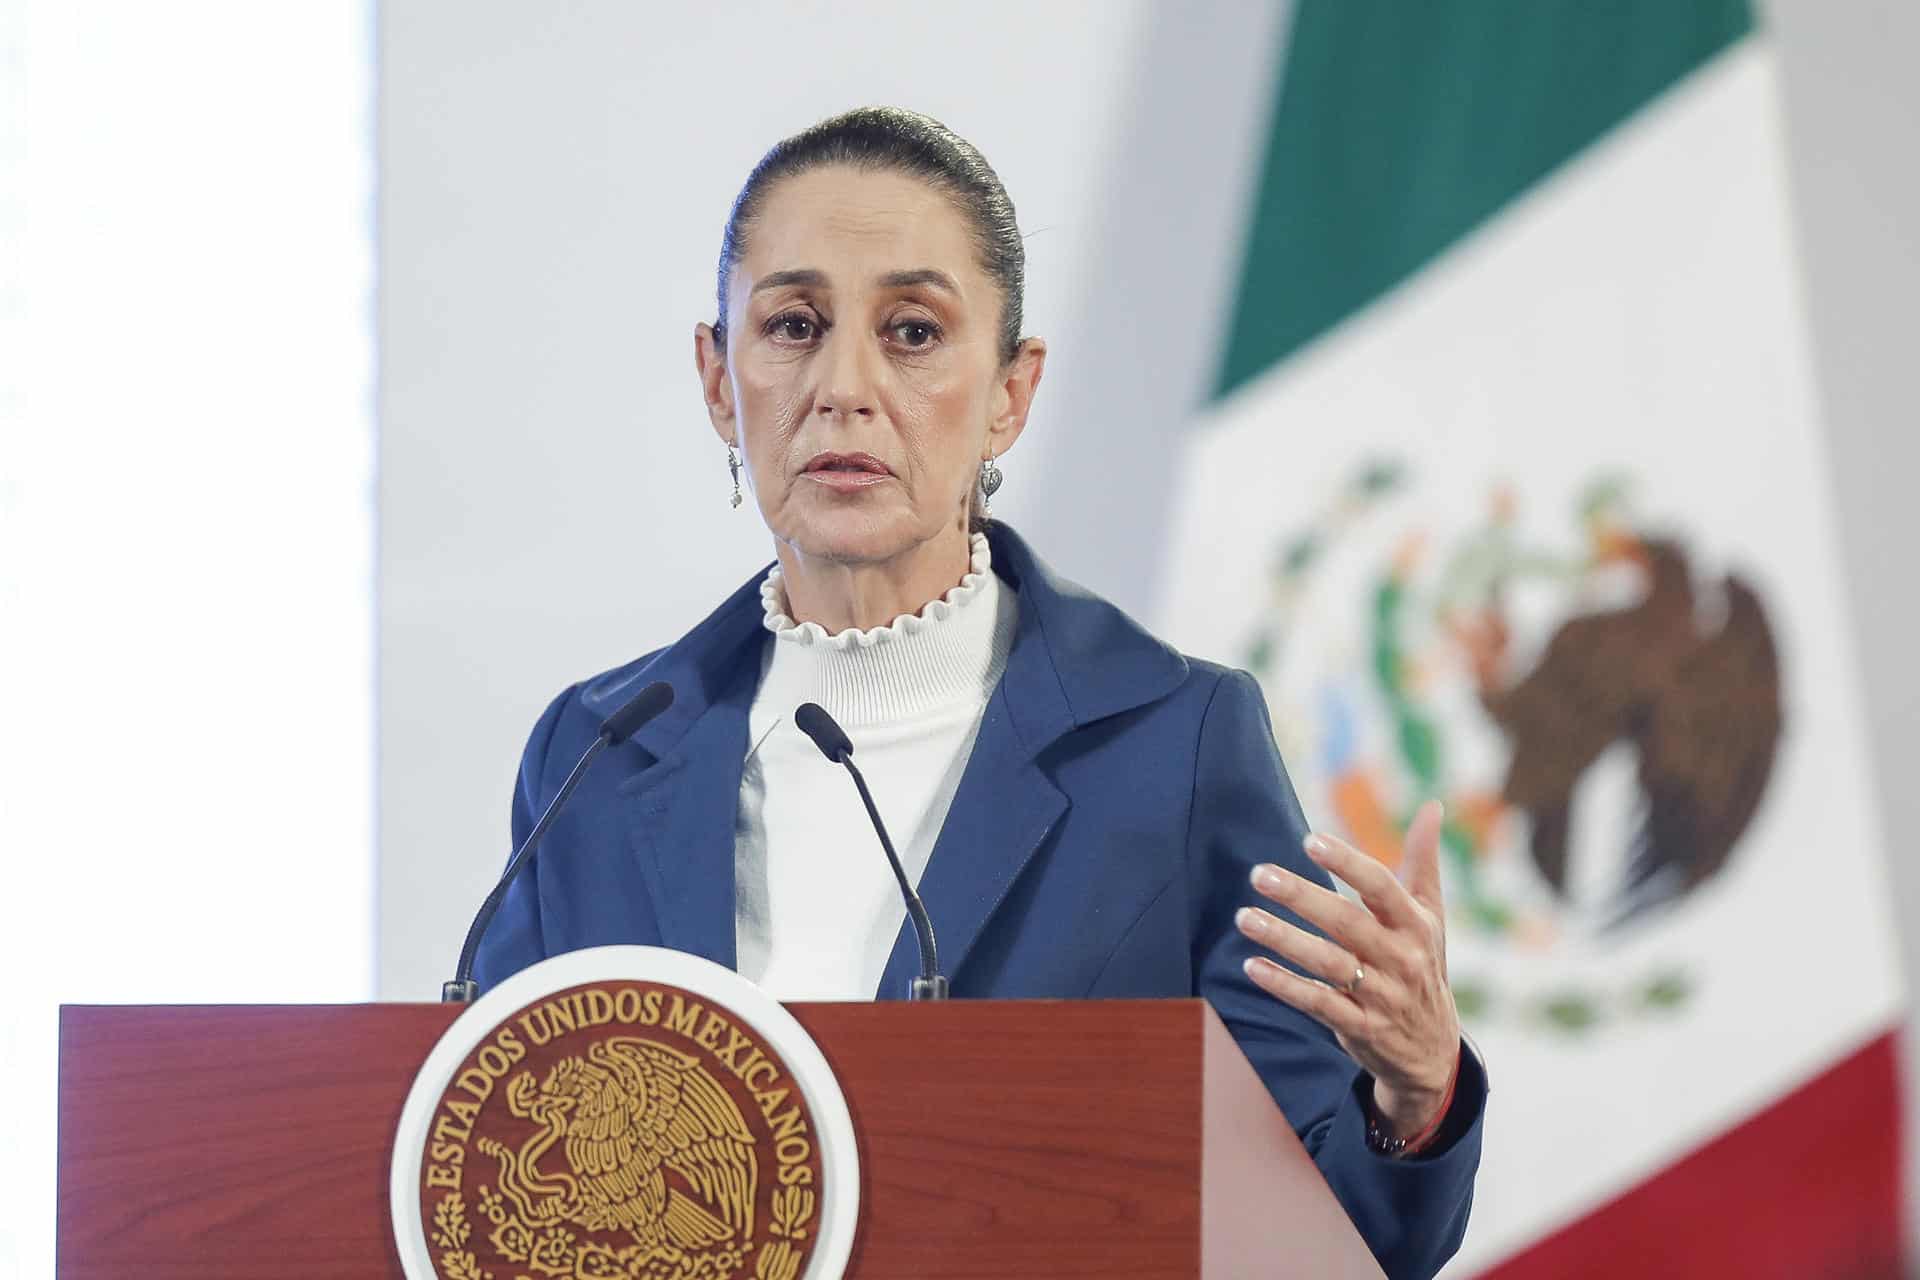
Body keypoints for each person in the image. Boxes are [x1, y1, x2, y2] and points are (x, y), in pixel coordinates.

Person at [474, 107, 1483, 1279]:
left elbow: (1332, 1234)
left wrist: (1416, 1088)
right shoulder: (595, 759)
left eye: (912, 331)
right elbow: (489, 1175)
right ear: (717, 378)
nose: (845, 388)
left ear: (1010, 389)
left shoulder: (1174, 748)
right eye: (794, 325)